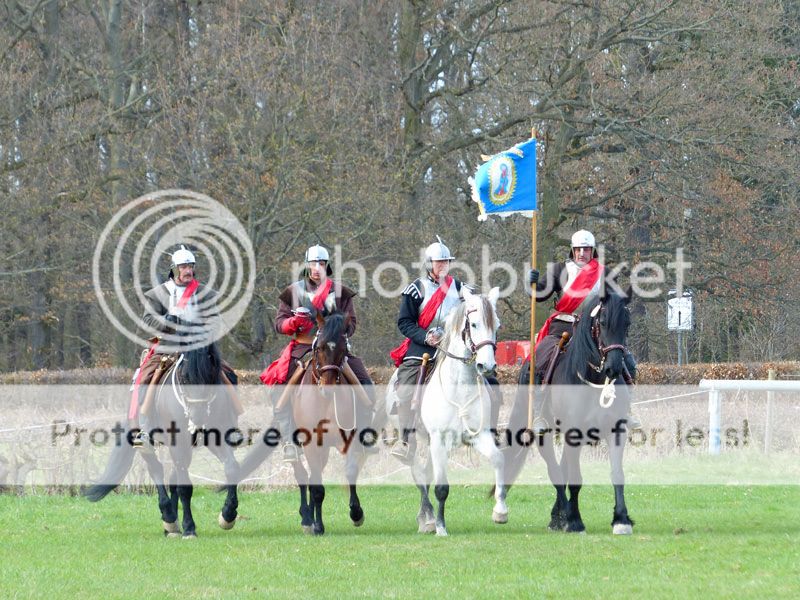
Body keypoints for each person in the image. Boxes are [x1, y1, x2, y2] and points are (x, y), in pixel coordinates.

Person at [261, 244, 375, 462]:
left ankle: (362, 436)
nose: (316, 268)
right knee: (278, 389)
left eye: (321, 264)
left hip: (334, 349)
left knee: (366, 384)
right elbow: (279, 323)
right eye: (313, 264)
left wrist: (339, 327)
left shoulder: (340, 292)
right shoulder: (293, 291)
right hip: (303, 347)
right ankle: (289, 443)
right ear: (307, 265)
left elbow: (352, 324)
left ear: (326, 266)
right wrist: (293, 322)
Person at [527, 229, 639, 434]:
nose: (581, 253)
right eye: (578, 249)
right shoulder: (559, 269)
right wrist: (531, 284)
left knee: (626, 360)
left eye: (586, 249)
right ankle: (539, 412)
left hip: (595, 329)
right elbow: (539, 296)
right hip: (564, 326)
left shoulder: (604, 272)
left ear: (592, 251)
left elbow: (614, 304)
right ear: (572, 250)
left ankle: (626, 410)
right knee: (540, 358)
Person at [129, 245, 238, 449]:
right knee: (143, 379)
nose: (188, 270)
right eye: (183, 267)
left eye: (190, 266)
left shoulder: (204, 293)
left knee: (229, 376)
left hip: (198, 350)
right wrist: (168, 321)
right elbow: (147, 322)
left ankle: (232, 425)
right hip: (168, 349)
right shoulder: (159, 294)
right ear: (174, 269)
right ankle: (144, 429)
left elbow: (215, 321)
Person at [388, 237, 471, 462]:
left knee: (481, 376)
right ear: (429, 263)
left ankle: (478, 429)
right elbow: (405, 322)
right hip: (422, 346)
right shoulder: (415, 289)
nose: (443, 265)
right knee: (406, 388)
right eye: (439, 262)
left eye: (446, 262)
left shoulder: (460, 288)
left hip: (452, 347)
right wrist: (425, 336)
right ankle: (406, 441)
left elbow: (475, 308)